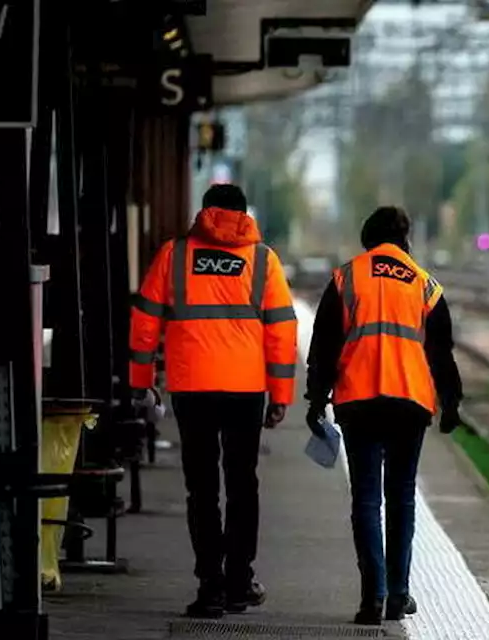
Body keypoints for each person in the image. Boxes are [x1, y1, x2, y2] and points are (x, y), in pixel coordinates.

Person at [129, 184, 298, 618]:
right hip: (244, 390)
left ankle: (210, 587)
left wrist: (142, 380)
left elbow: (145, 319)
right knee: (243, 484)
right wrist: (280, 394)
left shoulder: (175, 254)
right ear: (244, 215)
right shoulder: (263, 260)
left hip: (192, 387)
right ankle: (240, 583)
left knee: (201, 487)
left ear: (205, 212)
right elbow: (281, 329)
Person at [305, 206, 463, 625]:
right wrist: (452, 403)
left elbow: (323, 346)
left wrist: (315, 399)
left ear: (368, 238)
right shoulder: (426, 286)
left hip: (358, 400)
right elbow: (441, 353)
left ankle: (371, 597)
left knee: (366, 499)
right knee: (401, 497)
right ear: (405, 240)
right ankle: (398, 594)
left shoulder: (347, 278)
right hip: (409, 402)